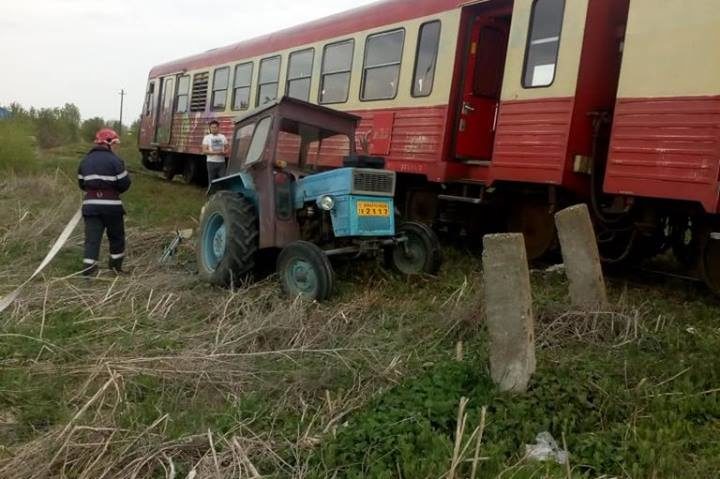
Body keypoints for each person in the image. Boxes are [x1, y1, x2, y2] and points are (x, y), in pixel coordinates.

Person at [77, 128, 131, 276]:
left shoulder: (85, 161)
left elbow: (81, 183)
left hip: (91, 207)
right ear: (108, 143)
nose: (116, 147)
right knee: (116, 237)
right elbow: (125, 183)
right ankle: (115, 269)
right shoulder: (116, 161)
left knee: (92, 240)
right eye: (115, 144)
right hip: (112, 207)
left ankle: (88, 272)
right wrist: (112, 192)